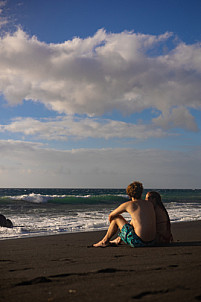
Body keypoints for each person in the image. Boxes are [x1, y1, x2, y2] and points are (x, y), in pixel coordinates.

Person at [93, 181, 156, 248]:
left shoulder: (129, 204)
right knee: (134, 220)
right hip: (152, 241)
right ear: (141, 192)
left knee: (116, 218)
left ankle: (104, 241)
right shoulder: (149, 204)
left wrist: (113, 225)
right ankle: (118, 240)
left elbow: (111, 215)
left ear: (129, 194)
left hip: (138, 242)